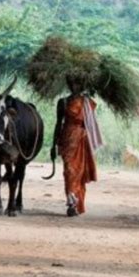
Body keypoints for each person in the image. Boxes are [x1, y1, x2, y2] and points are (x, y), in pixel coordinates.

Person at [50, 77, 103, 216]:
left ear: (82, 85)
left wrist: (91, 141)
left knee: (79, 172)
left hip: (82, 140)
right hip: (66, 139)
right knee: (69, 170)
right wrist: (53, 144)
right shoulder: (63, 102)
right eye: (72, 83)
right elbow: (58, 124)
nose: (75, 85)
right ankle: (71, 200)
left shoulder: (87, 102)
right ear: (69, 84)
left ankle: (74, 204)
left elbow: (91, 123)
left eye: (78, 82)